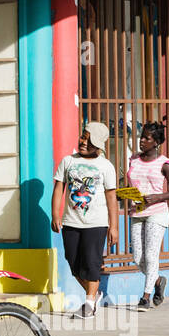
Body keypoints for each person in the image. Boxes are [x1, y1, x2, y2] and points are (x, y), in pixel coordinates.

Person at [52, 121, 118, 319]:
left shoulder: (105, 166)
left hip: (96, 223)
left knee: (91, 263)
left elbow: (111, 197)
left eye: (90, 141)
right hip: (71, 221)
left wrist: (113, 226)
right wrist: (55, 214)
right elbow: (58, 188)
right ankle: (95, 293)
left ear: (99, 146)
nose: (84, 142)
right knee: (73, 263)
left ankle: (89, 303)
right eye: (83, 137)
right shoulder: (68, 161)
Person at [122, 122, 169, 309]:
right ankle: (157, 282)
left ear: (156, 142)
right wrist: (124, 193)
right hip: (137, 212)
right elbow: (129, 184)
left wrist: (158, 197)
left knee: (151, 256)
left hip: (157, 213)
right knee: (137, 258)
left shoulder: (165, 163)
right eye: (142, 136)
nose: (142, 141)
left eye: (147, 138)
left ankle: (145, 297)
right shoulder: (133, 160)